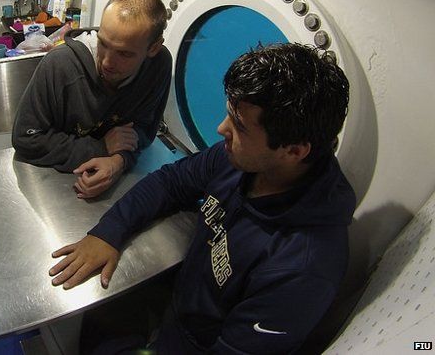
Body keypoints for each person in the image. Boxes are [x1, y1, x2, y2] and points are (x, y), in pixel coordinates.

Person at [48, 43, 356, 354]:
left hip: (194, 343)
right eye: (229, 114)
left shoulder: (302, 269)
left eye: (239, 126)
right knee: (97, 310)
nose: (222, 129)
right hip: (178, 302)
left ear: (294, 151)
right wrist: (108, 233)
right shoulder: (240, 161)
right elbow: (171, 182)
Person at [12, 0, 172, 199]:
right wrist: (101, 147)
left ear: (153, 49)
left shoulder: (158, 65)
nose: (106, 62)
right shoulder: (60, 65)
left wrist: (118, 162)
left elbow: (143, 130)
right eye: (103, 44)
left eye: (124, 54)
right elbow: (26, 139)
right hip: (50, 187)